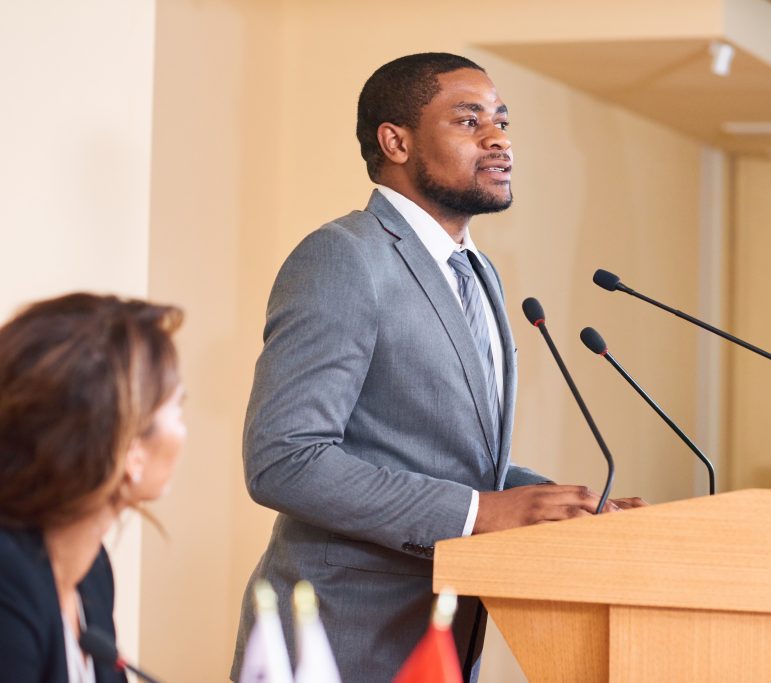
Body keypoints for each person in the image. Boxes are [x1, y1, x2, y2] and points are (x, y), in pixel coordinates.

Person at [231, 52, 643, 682]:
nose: (498, 138)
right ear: (395, 141)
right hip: (342, 638)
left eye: (501, 120)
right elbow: (284, 459)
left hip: (442, 636)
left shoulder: (477, 270)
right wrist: (479, 514)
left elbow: (455, 461)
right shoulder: (342, 258)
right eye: (468, 120)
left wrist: (571, 509)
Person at [0, 293, 186, 683]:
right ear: (129, 450)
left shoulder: (92, 569)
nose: (184, 433)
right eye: (177, 409)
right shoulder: (8, 584)